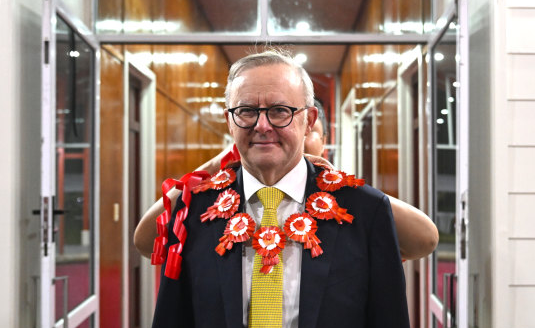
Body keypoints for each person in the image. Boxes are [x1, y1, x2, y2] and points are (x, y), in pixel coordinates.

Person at [145, 50, 412, 328]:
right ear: (230, 121)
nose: (262, 125)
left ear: (309, 120)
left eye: (279, 111)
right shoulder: (194, 213)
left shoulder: (364, 211)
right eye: (246, 111)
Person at [133, 102, 438, 262]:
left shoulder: (348, 203)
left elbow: (424, 239)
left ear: (319, 136)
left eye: (293, 121)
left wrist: (342, 184)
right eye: (255, 114)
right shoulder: (223, 200)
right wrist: (219, 162)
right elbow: (147, 240)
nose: (275, 131)